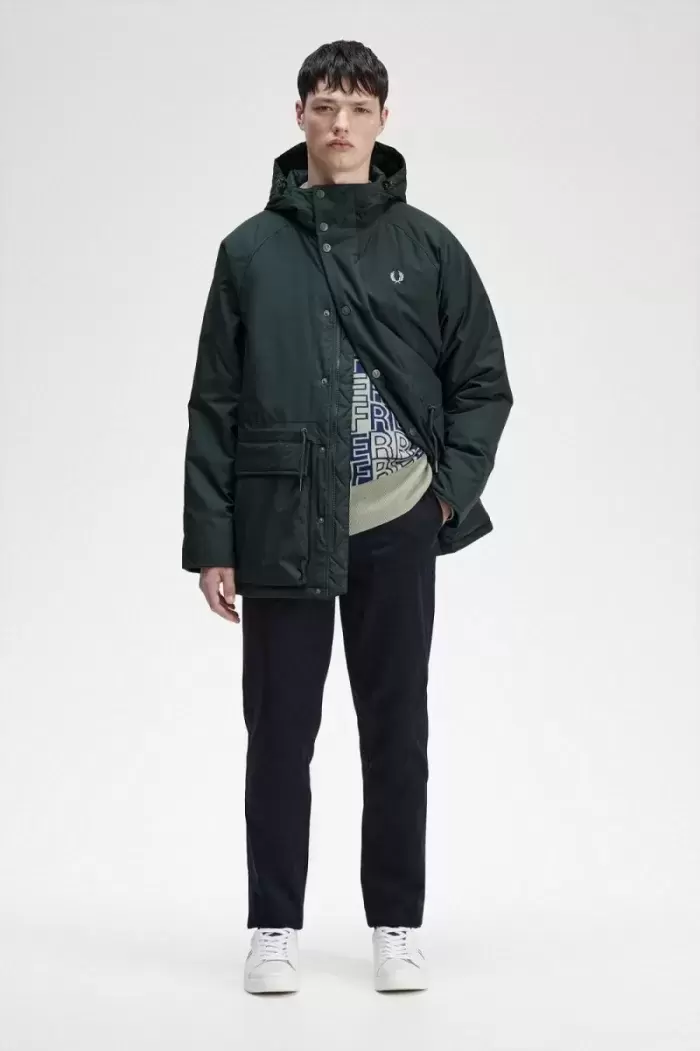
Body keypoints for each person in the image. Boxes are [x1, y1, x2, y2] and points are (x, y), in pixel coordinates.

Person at [181, 39, 513, 995]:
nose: (340, 124)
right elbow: (215, 403)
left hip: (400, 516)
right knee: (280, 730)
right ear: (299, 117)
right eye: (324, 105)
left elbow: (482, 382)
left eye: (358, 108)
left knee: (395, 727)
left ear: (382, 121)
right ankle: (272, 926)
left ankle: (396, 925)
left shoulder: (429, 247)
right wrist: (214, 541)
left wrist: (445, 492)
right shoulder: (249, 251)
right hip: (282, 518)